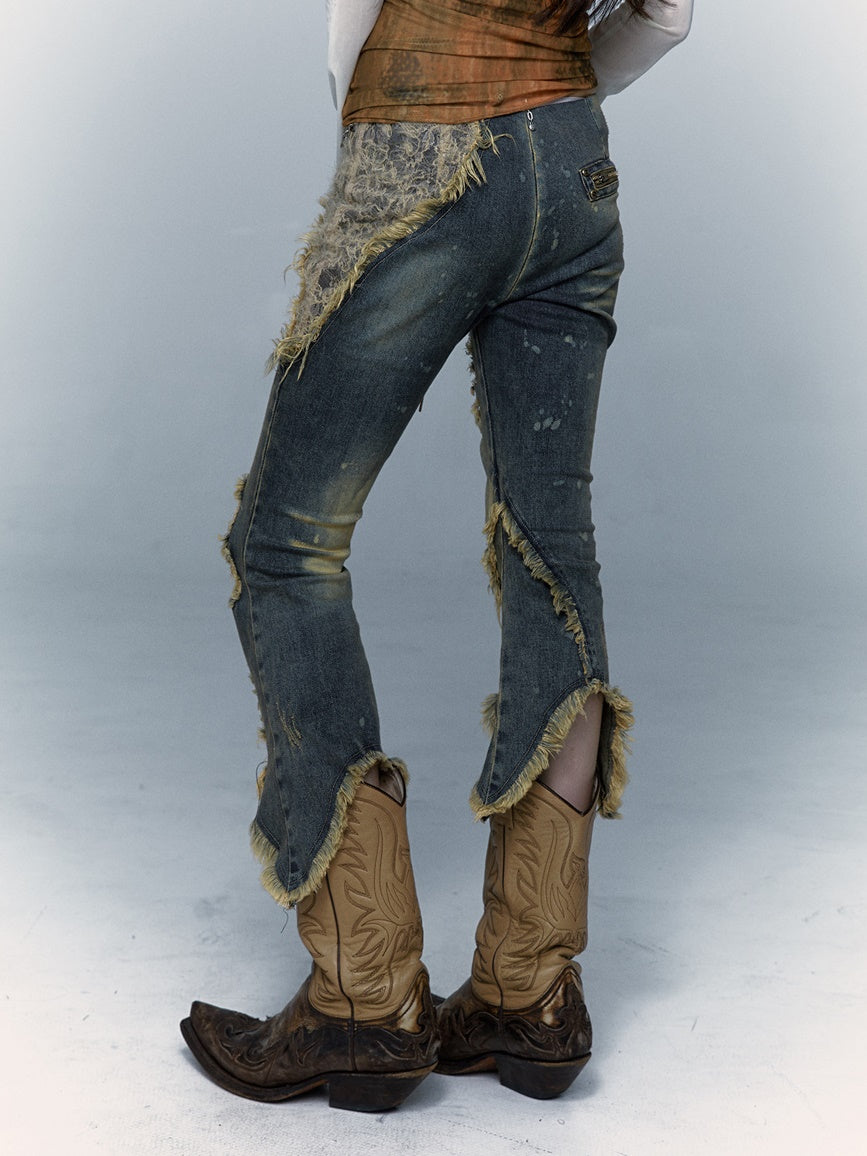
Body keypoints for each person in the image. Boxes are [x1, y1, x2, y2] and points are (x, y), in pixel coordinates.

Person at [180, 0, 693, 1112]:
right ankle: (529, 988)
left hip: (426, 141)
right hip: (573, 161)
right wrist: (552, 100)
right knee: (552, 542)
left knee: (286, 544)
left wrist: (388, 120)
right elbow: (669, 12)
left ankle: (364, 997)